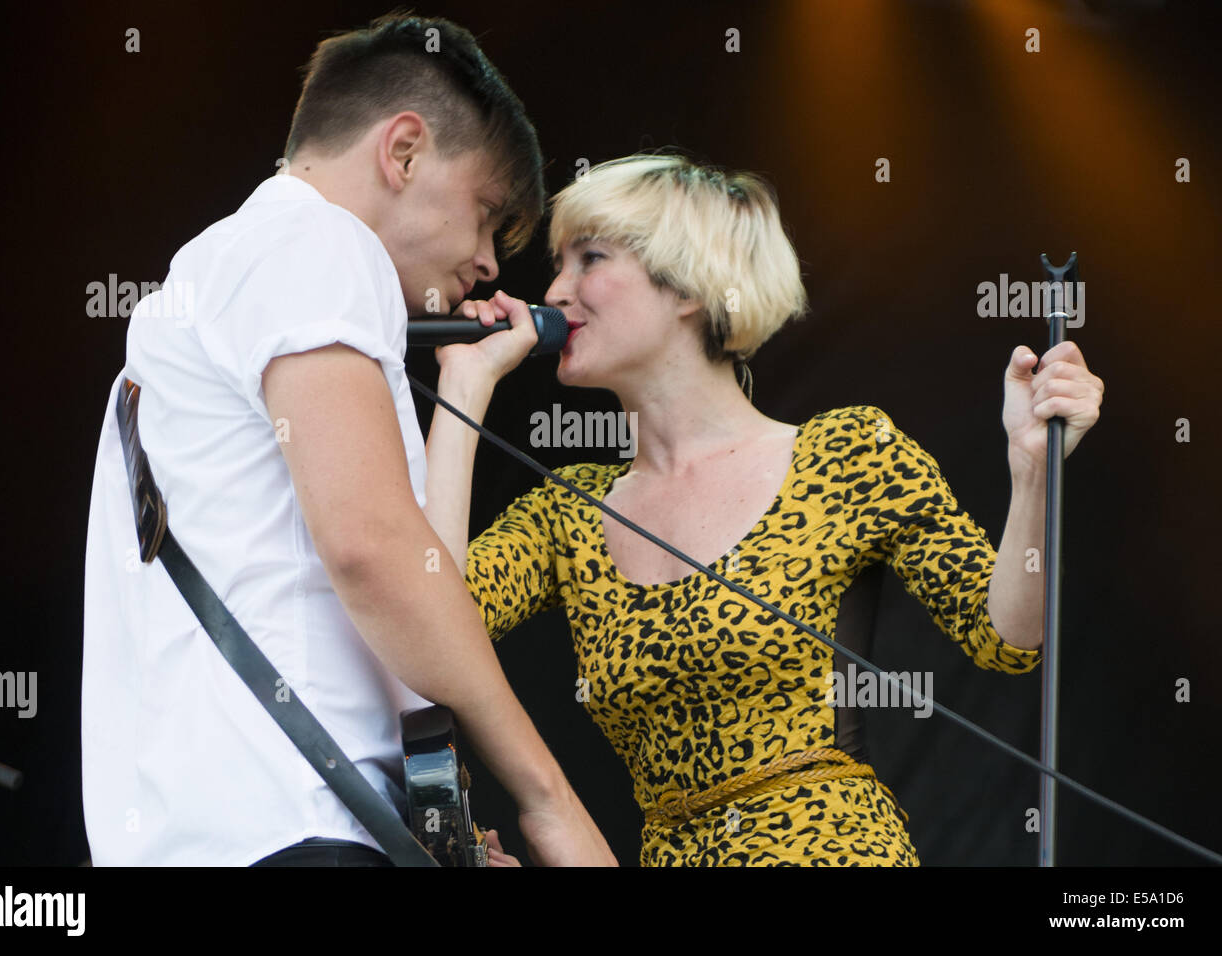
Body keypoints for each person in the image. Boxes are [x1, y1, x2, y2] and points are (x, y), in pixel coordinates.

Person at [423, 152, 1105, 866]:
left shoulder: (846, 454)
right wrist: (463, 394)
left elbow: (1006, 636)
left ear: (687, 284)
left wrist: (1032, 475)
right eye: (557, 263)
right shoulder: (567, 513)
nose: (556, 290)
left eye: (589, 257)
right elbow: (433, 624)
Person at [81, 13, 614, 867]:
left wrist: (467, 390)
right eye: (485, 214)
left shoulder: (223, 279)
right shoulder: (316, 239)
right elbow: (373, 550)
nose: (487, 263)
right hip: (291, 831)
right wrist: (549, 800)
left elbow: (415, 587)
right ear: (402, 151)